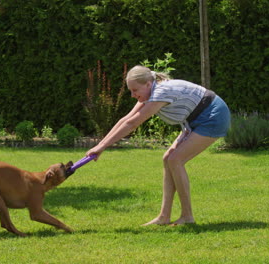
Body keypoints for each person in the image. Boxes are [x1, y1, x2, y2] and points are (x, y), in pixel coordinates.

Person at [86, 65, 231, 226]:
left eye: (135, 90)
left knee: (176, 159)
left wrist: (103, 147)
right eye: (130, 91)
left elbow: (133, 124)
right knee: (168, 158)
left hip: (213, 115)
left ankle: (187, 217)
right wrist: (101, 145)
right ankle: (164, 217)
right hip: (194, 118)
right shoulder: (150, 93)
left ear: (148, 84)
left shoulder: (160, 92)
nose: (133, 95)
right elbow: (125, 119)